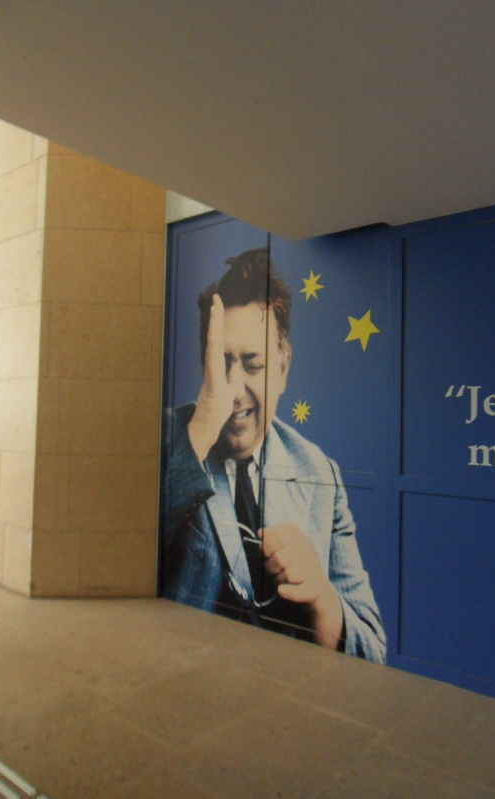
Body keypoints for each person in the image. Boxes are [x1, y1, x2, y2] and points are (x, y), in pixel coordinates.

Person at [162, 248, 386, 663]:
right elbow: (114, 551)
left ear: (283, 370)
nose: (234, 388)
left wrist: (322, 598)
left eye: (253, 365)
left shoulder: (321, 474)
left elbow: (372, 651)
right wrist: (202, 430)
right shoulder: (166, 440)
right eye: (221, 364)